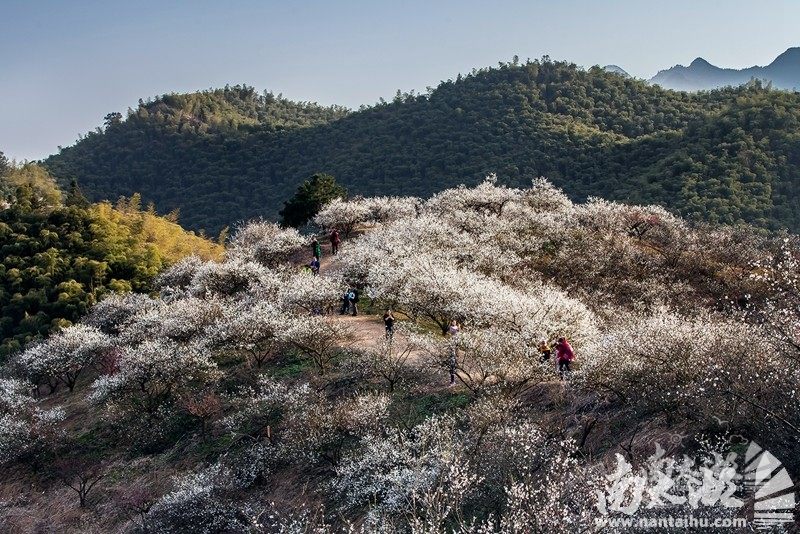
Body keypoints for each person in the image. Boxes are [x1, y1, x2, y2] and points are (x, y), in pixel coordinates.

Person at [447, 320, 460, 386]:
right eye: (453, 322)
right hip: (453, 340)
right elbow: (451, 332)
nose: (454, 323)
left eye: (455, 322)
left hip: (456, 340)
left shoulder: (457, 327)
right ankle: (452, 381)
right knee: (452, 367)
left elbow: (458, 332)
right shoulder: (451, 327)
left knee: (453, 367)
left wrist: (458, 329)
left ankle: (453, 381)